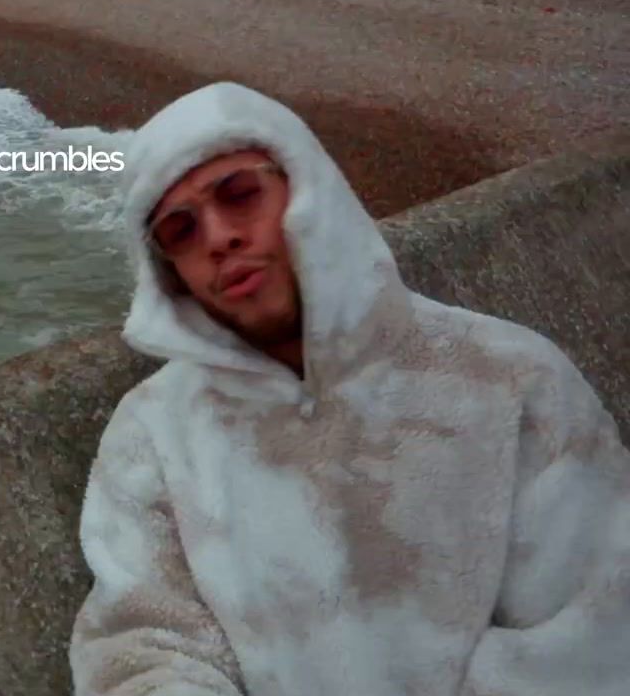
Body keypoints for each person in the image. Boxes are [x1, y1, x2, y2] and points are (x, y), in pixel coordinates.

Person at [70, 81, 630, 695]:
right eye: (180, 229)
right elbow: (143, 646)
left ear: (308, 187)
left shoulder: (511, 377)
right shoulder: (151, 432)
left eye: (239, 194)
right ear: (166, 272)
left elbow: (595, 618)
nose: (219, 237)